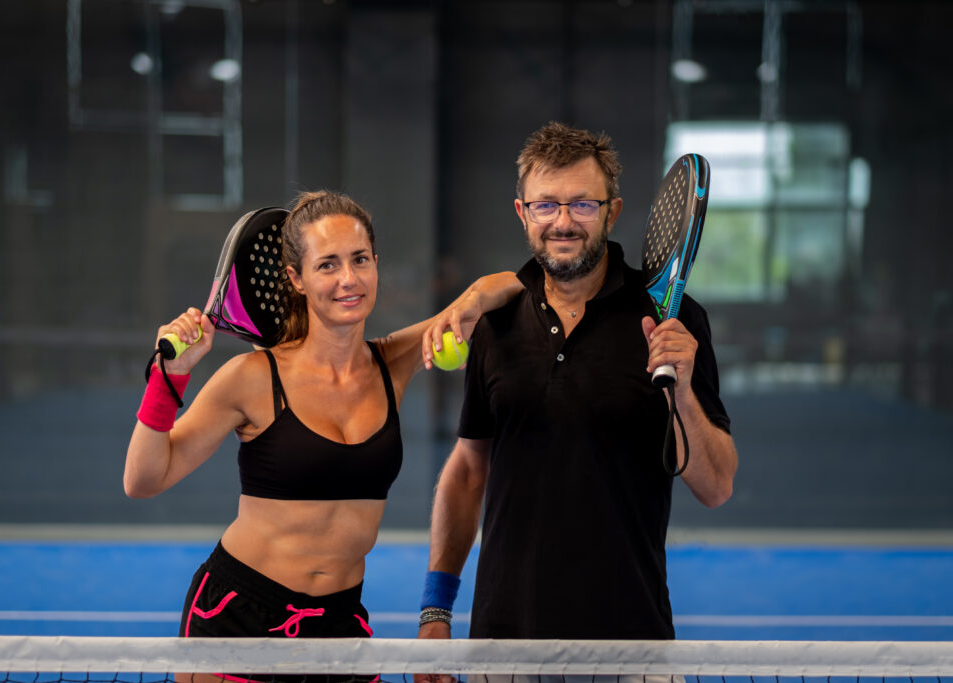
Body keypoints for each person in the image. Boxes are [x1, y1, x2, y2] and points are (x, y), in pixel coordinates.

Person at [125, 190, 521, 682]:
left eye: (360, 260)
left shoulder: (393, 363)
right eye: (328, 265)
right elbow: (143, 478)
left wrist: (468, 303)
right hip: (237, 616)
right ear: (297, 278)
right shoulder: (251, 377)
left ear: (377, 263)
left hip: (339, 623)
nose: (348, 279)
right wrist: (170, 377)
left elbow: (512, 285)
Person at [416, 122, 738, 644]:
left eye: (582, 205)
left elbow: (716, 486)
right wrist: (436, 609)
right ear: (523, 213)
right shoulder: (495, 321)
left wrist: (680, 392)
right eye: (546, 205)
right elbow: (469, 471)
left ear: (612, 211)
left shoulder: (676, 323)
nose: (562, 222)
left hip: (632, 641)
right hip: (503, 641)